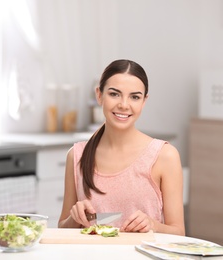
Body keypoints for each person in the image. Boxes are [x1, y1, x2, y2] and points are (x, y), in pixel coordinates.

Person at [58, 59, 185, 236]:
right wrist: (75, 218)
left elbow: (178, 232)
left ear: (144, 101)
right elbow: (62, 229)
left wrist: (152, 225)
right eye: (114, 94)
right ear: (99, 95)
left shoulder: (165, 156)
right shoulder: (77, 155)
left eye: (134, 97)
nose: (124, 105)